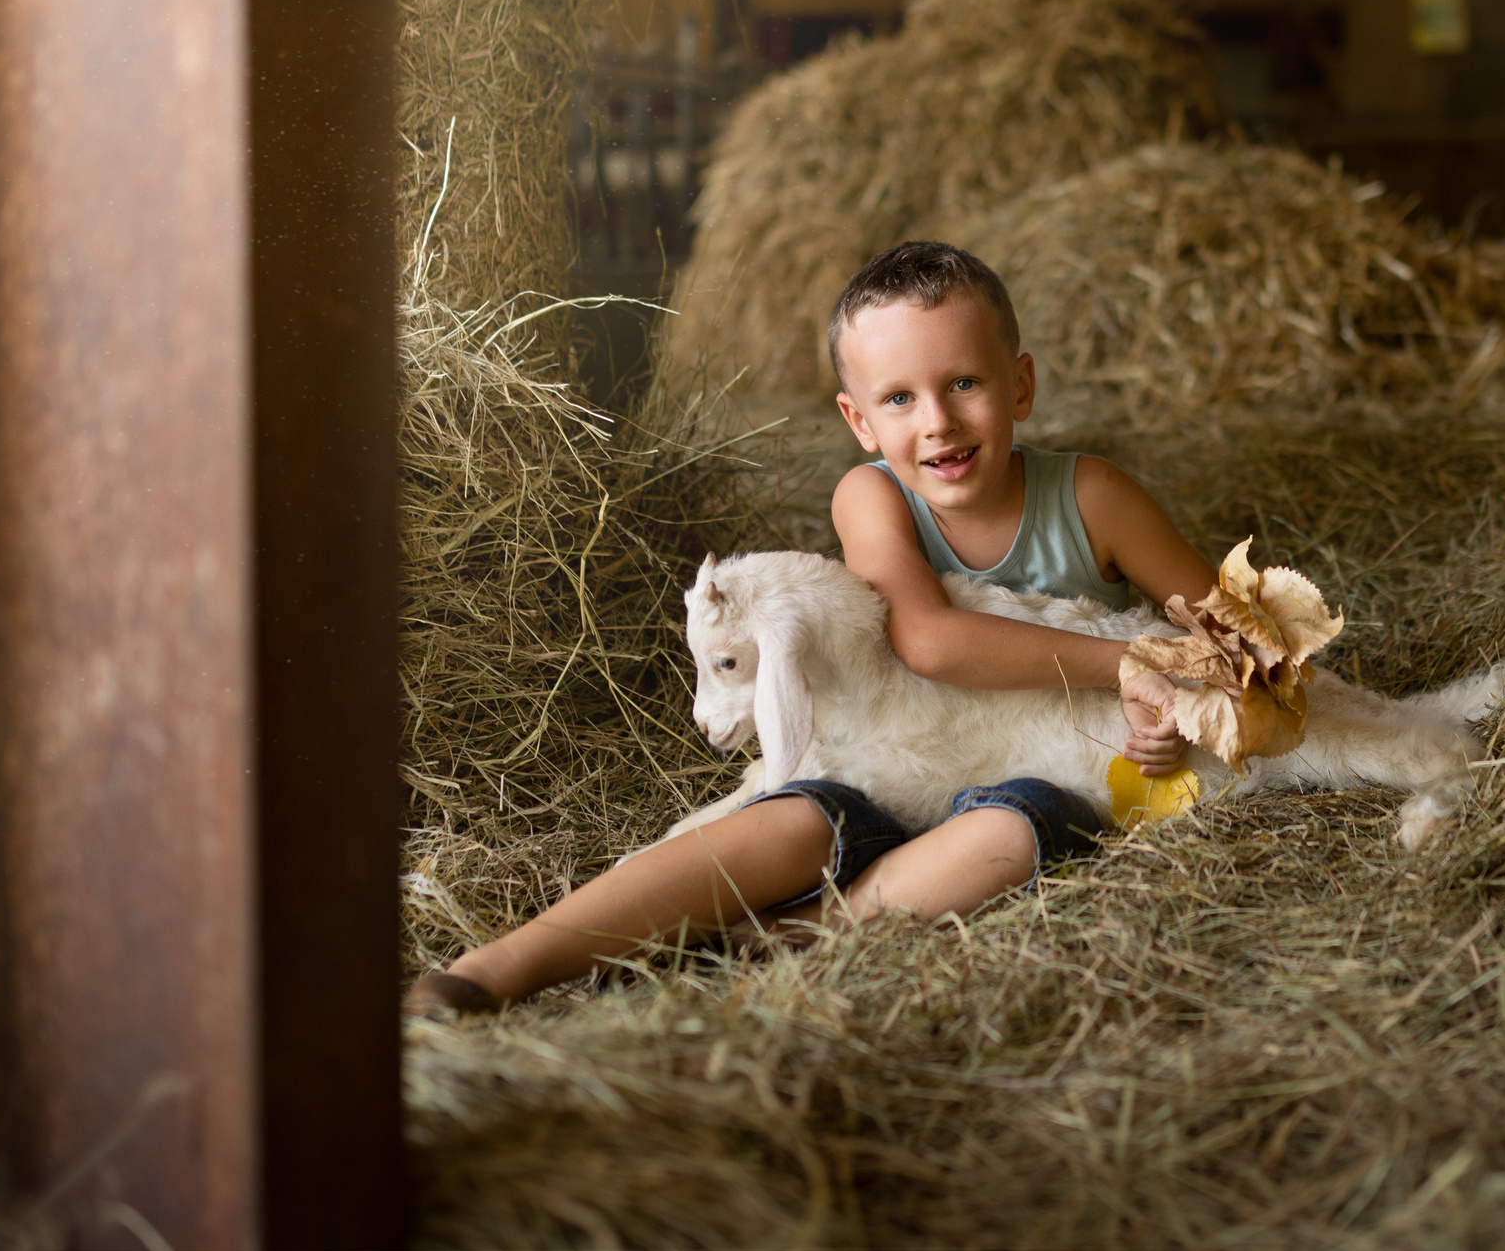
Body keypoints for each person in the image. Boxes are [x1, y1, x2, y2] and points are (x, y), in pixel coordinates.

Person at [407, 241, 1214, 1015]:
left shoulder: (1093, 498)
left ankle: (778, 941)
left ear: (1022, 385)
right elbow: (927, 640)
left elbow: (1228, 633)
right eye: (898, 398)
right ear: (857, 420)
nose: (937, 421)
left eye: (965, 382)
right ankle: (498, 969)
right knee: (791, 821)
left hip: (1033, 773)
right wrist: (1127, 663)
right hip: (892, 760)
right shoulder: (873, 498)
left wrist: (1174, 708)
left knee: (1010, 834)